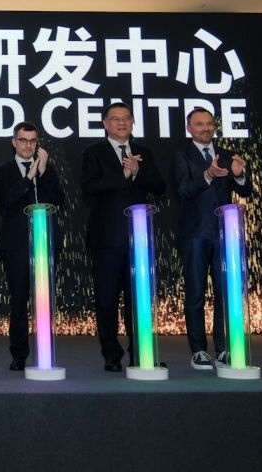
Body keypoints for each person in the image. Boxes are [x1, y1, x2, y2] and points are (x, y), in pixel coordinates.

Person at [80, 102, 166, 372]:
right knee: (106, 300)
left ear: (132, 122)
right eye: (115, 119)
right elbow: (89, 188)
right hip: (106, 238)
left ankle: (141, 353)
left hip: (138, 239)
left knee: (138, 300)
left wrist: (138, 173)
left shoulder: (144, 153)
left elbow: (159, 186)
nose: (121, 123)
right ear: (105, 124)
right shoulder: (94, 152)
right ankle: (111, 354)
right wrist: (124, 174)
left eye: (126, 118)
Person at [170, 107, 251, 370]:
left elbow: (246, 191)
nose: (205, 128)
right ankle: (198, 350)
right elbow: (183, 190)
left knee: (225, 293)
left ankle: (223, 348)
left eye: (209, 124)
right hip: (194, 234)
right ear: (189, 128)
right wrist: (207, 175)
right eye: (199, 124)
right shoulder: (181, 155)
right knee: (195, 293)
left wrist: (239, 175)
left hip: (225, 234)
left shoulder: (227, 155)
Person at [0, 121, 64, 371]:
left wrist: (43, 174)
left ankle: (45, 351)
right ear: (14, 142)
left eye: (33, 141)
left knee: (44, 299)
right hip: (17, 245)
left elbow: (58, 201)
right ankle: (19, 354)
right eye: (23, 140)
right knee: (19, 300)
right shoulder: (3, 171)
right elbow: (7, 202)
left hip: (45, 242)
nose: (28, 145)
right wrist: (29, 177)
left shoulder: (47, 169)